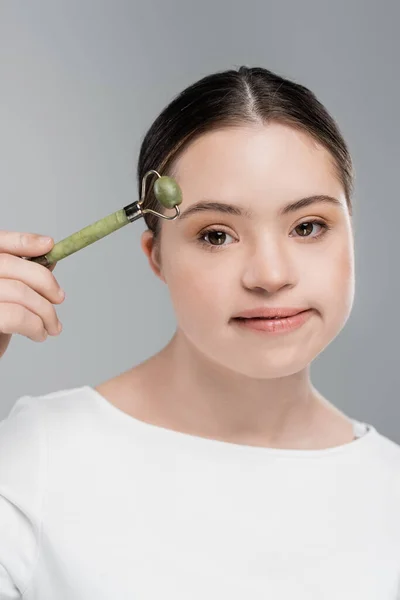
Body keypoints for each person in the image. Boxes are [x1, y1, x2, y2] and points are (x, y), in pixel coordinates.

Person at [0, 65, 399, 599]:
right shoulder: (38, 457)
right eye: (216, 235)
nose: (270, 275)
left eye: (308, 226)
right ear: (156, 256)